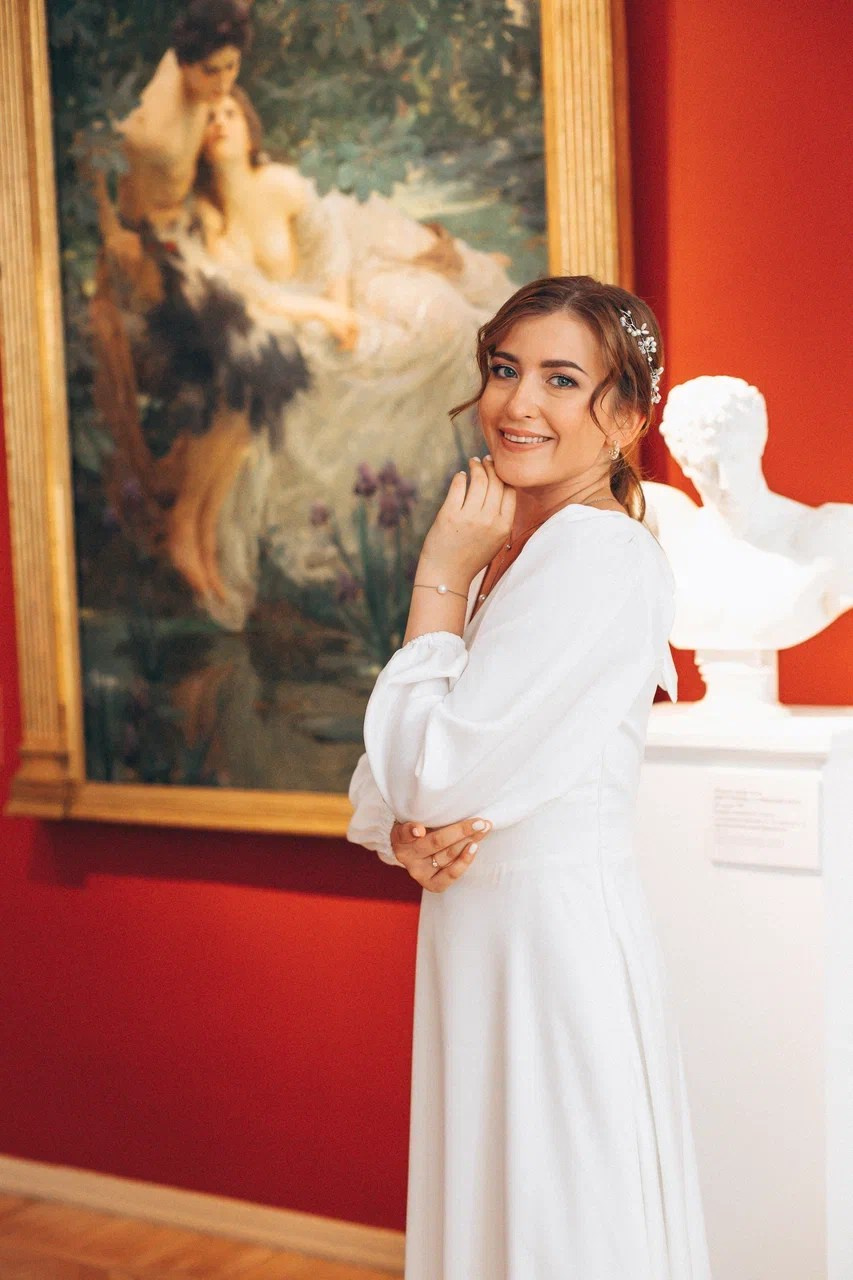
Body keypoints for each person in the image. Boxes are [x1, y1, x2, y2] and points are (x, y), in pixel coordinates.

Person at [348, 277, 712, 1279]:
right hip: (485, 929)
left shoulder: (596, 555)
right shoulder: (521, 552)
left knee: (558, 1218)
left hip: (549, 943)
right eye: (505, 369)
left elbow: (430, 767)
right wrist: (406, 834)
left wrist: (437, 574)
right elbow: (398, 779)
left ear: (626, 416)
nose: (516, 402)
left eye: (560, 378)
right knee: (502, 1207)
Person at [188, 88, 518, 627]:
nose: (220, 124)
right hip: (302, 313)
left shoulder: (279, 182)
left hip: (346, 280)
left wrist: (337, 307)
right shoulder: (208, 213)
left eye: (229, 114)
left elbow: (331, 249)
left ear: (248, 127)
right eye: (208, 118)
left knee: (451, 320)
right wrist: (319, 313)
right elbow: (244, 292)